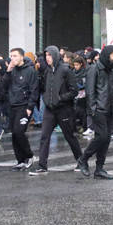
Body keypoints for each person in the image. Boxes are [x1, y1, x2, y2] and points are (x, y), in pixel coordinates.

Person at [30, 46, 83, 175]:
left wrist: (60, 98)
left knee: (69, 136)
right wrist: (47, 99)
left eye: (50, 55)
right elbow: (45, 88)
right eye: (46, 55)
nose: (48, 58)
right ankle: (42, 165)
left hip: (64, 109)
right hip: (50, 109)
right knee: (44, 136)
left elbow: (74, 91)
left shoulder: (65, 70)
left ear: (55, 55)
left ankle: (81, 161)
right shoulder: (47, 71)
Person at [77, 45, 113, 179]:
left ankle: (99, 168)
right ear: (107, 55)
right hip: (99, 109)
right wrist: (92, 110)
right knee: (101, 136)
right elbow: (90, 91)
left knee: (106, 139)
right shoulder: (94, 69)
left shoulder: (112, 70)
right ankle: (83, 159)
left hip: (110, 108)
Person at [3, 48, 39, 171]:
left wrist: (30, 106)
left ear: (22, 57)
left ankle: (29, 156)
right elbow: (3, 87)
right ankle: (20, 160)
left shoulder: (30, 71)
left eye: (15, 56)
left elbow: (34, 90)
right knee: (14, 133)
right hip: (13, 105)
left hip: (24, 106)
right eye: (11, 56)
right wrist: (8, 71)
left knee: (19, 131)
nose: (12, 58)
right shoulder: (11, 71)